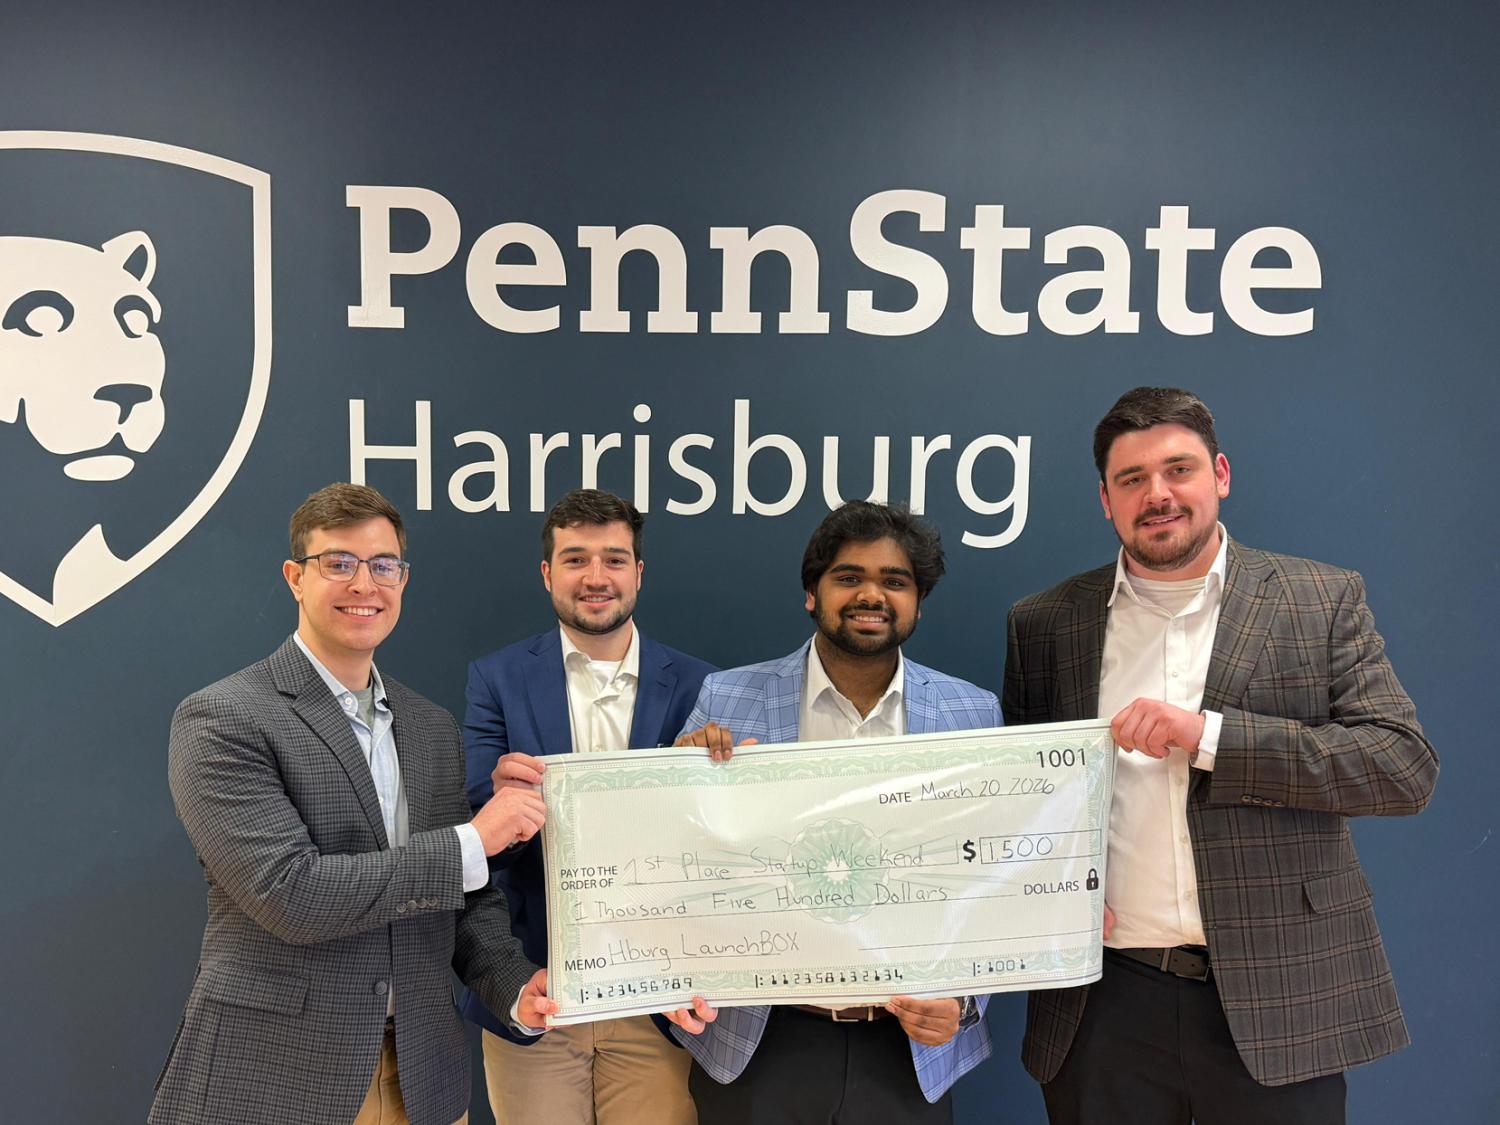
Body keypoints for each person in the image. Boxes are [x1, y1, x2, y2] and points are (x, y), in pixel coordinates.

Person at [1005, 387, 1438, 1124]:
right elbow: (1027, 796)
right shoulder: (1045, 623)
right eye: (1132, 478)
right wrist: (1051, 888)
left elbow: (1400, 766)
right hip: (1103, 1006)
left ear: (1221, 475)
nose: (1158, 494)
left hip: (1280, 997)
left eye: (1179, 469)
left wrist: (1211, 738)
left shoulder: (1319, 598)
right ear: (1105, 499)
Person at [151, 483, 557, 1125]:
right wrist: (474, 841)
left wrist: (514, 987)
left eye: (383, 565)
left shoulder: (430, 727)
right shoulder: (224, 718)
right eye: (339, 563)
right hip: (279, 1079)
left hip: (423, 1079)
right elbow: (291, 893)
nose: (364, 584)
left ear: (403, 580)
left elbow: (460, 895)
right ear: (296, 578)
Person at [666, 500, 996, 1124]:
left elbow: (994, 879)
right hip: (763, 1038)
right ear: (812, 593)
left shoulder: (971, 713)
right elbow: (679, 859)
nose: (871, 594)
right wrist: (675, 786)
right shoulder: (727, 698)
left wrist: (964, 1000)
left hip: (909, 1048)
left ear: (918, 602)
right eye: (849, 577)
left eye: (894, 581)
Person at [460, 489, 714, 1125]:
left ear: (638, 572)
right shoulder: (496, 678)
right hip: (538, 986)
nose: (596, 577)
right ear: (548, 573)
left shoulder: (701, 684)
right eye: (576, 559)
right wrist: (502, 803)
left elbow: (718, 844)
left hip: (659, 997)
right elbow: (475, 841)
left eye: (614, 559)